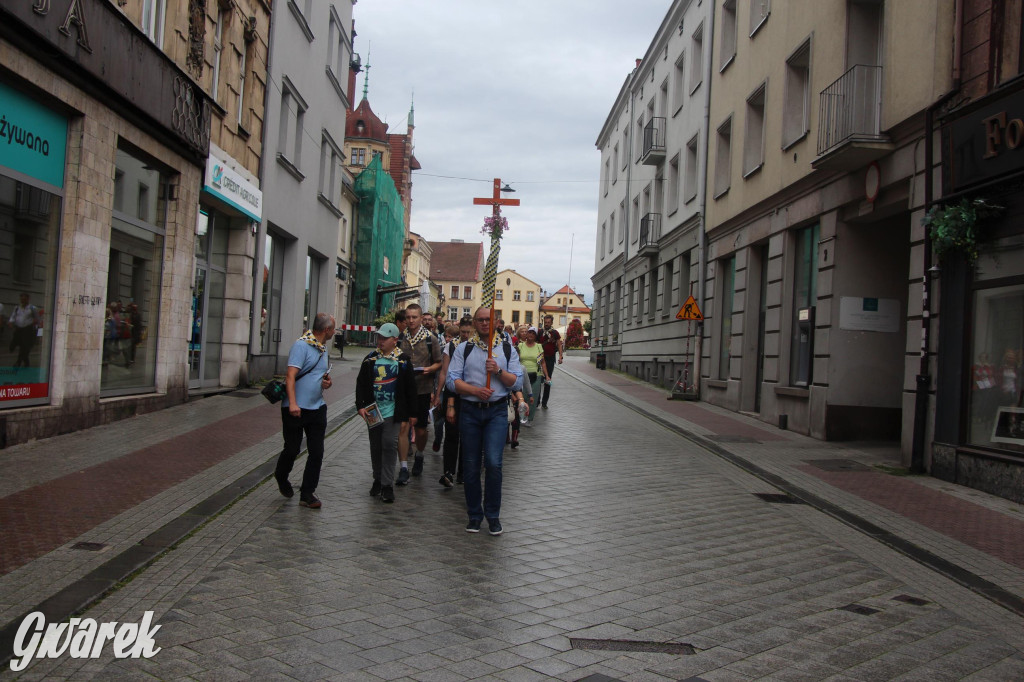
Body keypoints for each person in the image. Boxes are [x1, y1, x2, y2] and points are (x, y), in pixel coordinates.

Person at [446, 307, 523, 535]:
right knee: (470, 465)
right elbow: (452, 381)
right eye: (479, 320)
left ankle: (493, 515)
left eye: (487, 320)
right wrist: (474, 390)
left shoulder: (507, 349)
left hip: (496, 412)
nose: (483, 323)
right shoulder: (464, 348)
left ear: (496, 322)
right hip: (470, 410)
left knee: (493, 462)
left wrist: (497, 370)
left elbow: (516, 383)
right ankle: (474, 514)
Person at [275, 313, 335, 509]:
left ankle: (307, 493)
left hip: (317, 407)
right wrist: (292, 403)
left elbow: (319, 375)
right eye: (333, 329)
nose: (335, 332)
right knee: (292, 449)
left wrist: (326, 383)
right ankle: (281, 475)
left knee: (316, 452)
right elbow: (291, 376)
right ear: (326, 330)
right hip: (296, 408)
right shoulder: (301, 346)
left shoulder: (323, 348)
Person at [356, 323, 417, 504]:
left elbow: (411, 389)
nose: (380, 341)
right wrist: (360, 405)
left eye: (384, 338)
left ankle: (387, 485)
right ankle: (377, 478)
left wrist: (412, 413)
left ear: (394, 340)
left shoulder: (403, 361)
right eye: (379, 338)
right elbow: (361, 384)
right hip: (373, 410)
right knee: (376, 445)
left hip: (393, 411)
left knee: (389, 443)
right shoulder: (370, 359)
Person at [398, 303, 443, 480]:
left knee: (421, 429)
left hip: (423, 389)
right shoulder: (400, 338)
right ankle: (403, 467)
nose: (411, 320)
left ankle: (419, 454)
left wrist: (429, 369)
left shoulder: (430, 339)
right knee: (403, 426)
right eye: (408, 317)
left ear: (420, 318)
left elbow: (439, 362)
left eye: (414, 317)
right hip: (403, 390)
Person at [435, 319, 471, 486]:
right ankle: (448, 471)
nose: (465, 335)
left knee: (467, 435)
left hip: (471, 396)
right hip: (453, 393)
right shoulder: (452, 346)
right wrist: (438, 394)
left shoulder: (477, 346)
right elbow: (445, 372)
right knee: (451, 432)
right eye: (463, 332)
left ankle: (463, 472)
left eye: (468, 332)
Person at [517, 327, 549, 425]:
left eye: (533, 333)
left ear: (536, 336)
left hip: (536, 375)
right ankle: (522, 417)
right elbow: (516, 360)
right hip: (522, 375)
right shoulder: (521, 345)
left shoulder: (539, 347)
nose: (530, 335)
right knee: (524, 396)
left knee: (533, 398)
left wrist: (547, 376)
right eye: (529, 333)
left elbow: (542, 362)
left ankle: (529, 419)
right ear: (526, 335)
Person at [9, 293, 40, 368]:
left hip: (27, 329)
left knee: (24, 346)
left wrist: (35, 322)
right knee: (13, 344)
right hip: (18, 329)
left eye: (24, 299)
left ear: (28, 299)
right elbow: (13, 316)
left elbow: (37, 319)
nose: (23, 301)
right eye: (21, 299)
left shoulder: (32, 308)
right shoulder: (17, 308)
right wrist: (10, 322)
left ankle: (18, 362)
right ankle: (26, 362)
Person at [539, 314, 564, 409]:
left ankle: (544, 402)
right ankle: (537, 400)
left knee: (548, 380)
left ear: (552, 323)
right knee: (538, 380)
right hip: (540, 358)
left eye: (548, 322)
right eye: (545, 322)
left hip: (550, 358)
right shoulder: (540, 332)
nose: (547, 324)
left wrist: (561, 356)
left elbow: (559, 344)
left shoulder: (555, 333)